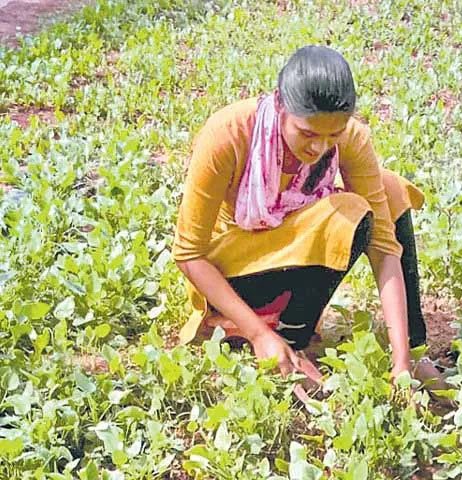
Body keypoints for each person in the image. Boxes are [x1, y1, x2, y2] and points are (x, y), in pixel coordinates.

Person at [171, 45, 447, 392]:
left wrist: (402, 359)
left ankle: (415, 351)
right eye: (308, 133)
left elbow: (383, 246)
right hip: (233, 279)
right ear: (279, 104)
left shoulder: (351, 138)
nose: (319, 148)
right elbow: (188, 254)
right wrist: (259, 336)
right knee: (349, 212)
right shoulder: (228, 134)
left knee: (389, 189)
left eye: (333, 135)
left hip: (292, 257)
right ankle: (288, 343)